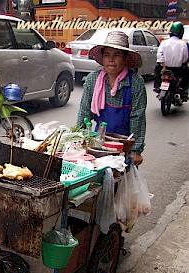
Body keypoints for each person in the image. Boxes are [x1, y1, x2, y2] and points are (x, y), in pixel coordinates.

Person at [77, 30, 147, 166]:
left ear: (125, 58)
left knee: (122, 183)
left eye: (117, 55)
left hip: (124, 146)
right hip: (99, 144)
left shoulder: (135, 83)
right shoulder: (93, 79)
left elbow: (137, 119)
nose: (111, 59)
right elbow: (84, 112)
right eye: (107, 55)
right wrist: (78, 139)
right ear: (102, 58)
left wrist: (136, 151)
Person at [153, 21, 189, 100]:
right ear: (181, 33)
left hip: (165, 68)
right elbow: (185, 58)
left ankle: (157, 87)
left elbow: (159, 55)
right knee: (186, 74)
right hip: (178, 70)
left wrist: (163, 66)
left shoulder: (164, 43)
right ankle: (184, 91)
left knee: (156, 71)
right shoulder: (183, 44)